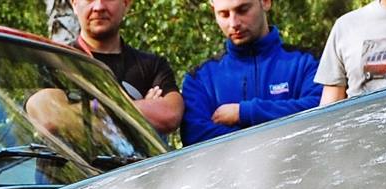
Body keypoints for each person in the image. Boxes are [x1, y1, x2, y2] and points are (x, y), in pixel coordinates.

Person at [180, 0, 319, 145]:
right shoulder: (199, 79)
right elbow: (196, 137)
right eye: (224, 14)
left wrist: (244, 112)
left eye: (243, 10)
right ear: (213, 11)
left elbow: (321, 112)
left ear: (265, 2)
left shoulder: (307, 62)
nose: (234, 23)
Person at [70, 0, 184, 135]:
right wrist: (141, 108)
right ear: (74, 4)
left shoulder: (153, 65)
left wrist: (85, 111)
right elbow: (53, 118)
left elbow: (170, 115)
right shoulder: (55, 61)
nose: (99, 7)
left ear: (126, 4)